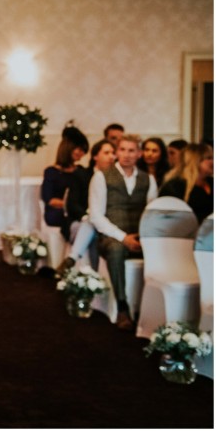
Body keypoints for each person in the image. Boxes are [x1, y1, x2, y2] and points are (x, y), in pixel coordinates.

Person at [89, 134, 158, 330]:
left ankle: (150, 309)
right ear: (117, 152)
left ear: (139, 154)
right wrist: (123, 237)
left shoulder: (148, 179)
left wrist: (144, 237)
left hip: (140, 236)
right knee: (117, 249)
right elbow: (96, 216)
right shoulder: (102, 176)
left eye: (132, 150)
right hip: (111, 237)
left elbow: (152, 213)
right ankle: (122, 306)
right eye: (122, 150)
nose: (126, 155)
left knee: (159, 253)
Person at [56, 139, 116, 276]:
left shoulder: (117, 178)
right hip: (80, 220)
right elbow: (72, 204)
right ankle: (92, 275)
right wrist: (87, 217)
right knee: (92, 224)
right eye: (106, 153)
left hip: (107, 223)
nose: (111, 156)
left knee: (95, 223)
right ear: (95, 156)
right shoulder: (81, 175)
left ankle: (73, 258)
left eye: (113, 153)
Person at [41, 123, 88, 227]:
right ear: (68, 148)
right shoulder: (51, 172)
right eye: (79, 149)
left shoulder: (81, 171)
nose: (82, 154)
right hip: (59, 212)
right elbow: (49, 199)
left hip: (78, 211)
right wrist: (72, 206)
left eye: (83, 151)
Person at [159, 142, 213, 223]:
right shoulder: (175, 187)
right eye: (209, 158)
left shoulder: (211, 182)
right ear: (196, 161)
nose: (213, 161)